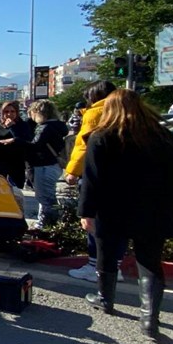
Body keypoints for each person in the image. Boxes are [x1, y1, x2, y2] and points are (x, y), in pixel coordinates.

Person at [80, 89, 173, 341]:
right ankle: (150, 320)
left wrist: (86, 212)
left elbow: (92, 180)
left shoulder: (101, 136)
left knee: (106, 255)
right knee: (150, 262)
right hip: (154, 207)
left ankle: (105, 299)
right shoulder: (160, 135)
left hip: (113, 208)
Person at [64, 80, 121, 282]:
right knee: (116, 225)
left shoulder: (95, 113)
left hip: (97, 174)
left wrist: (72, 171)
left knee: (93, 221)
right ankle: (115, 266)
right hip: (123, 178)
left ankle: (94, 265)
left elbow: (83, 146)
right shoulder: (124, 112)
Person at [19, 100, 68, 228]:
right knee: (48, 195)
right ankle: (48, 223)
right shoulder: (59, 126)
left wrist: (16, 141)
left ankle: (47, 224)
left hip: (44, 165)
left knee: (45, 198)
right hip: (54, 164)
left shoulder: (45, 127)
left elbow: (36, 145)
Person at [0, 100, 33, 190]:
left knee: (16, 191)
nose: (9, 114)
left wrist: (12, 128)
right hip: (0, 162)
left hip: (17, 163)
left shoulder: (23, 125)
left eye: (12, 111)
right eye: (6, 111)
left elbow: (27, 141)